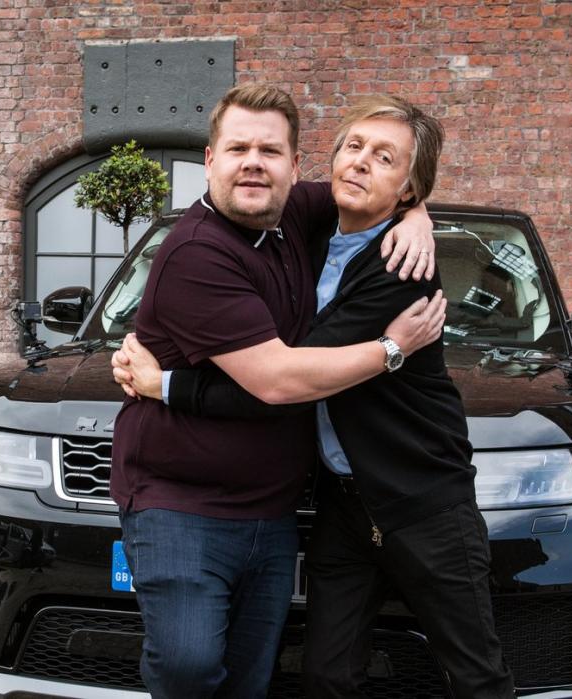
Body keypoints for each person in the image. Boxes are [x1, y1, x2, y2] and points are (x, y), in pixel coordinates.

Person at [114, 95, 515, 698]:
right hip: (327, 505)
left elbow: (283, 382)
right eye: (352, 148)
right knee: (321, 674)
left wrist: (415, 212)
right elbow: (280, 378)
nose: (359, 164)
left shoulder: (393, 267)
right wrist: (411, 208)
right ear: (210, 159)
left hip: (419, 498)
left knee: (473, 672)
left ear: (294, 165)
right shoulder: (261, 232)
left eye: (384, 159)